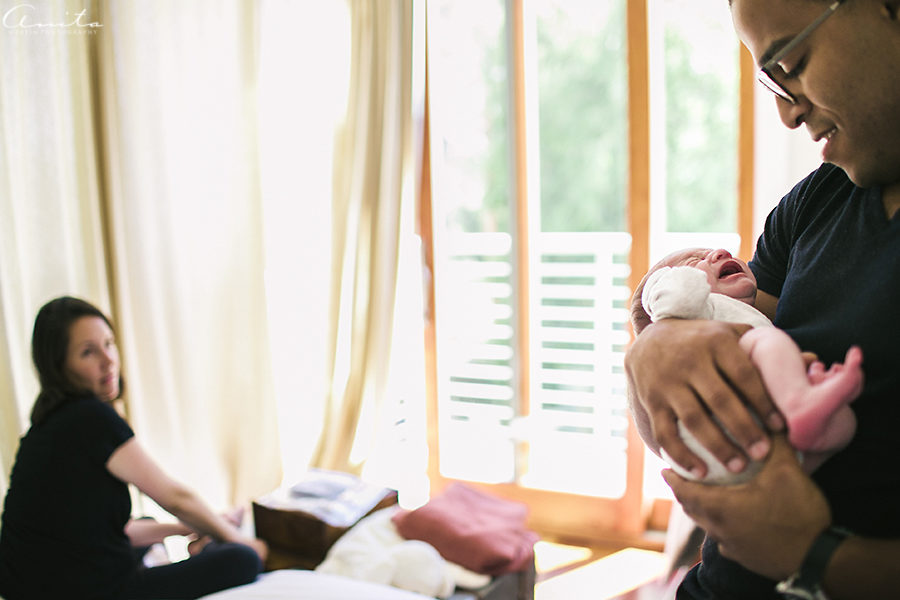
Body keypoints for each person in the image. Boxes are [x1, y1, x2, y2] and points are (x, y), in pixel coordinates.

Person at [624, 0, 900, 597]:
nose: (787, 112)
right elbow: (734, 323)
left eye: (792, 63)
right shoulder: (815, 204)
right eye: (771, 82)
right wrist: (655, 339)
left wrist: (812, 557)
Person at [0, 297, 269, 600]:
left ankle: (206, 540)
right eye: (88, 352)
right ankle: (211, 546)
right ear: (59, 367)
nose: (108, 360)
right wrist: (241, 541)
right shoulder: (90, 418)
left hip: (33, 585)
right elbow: (176, 498)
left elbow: (102, 531)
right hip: (89, 591)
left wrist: (186, 528)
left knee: (147, 525)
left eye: (108, 344)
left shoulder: (46, 425)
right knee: (243, 559)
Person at [641, 247, 863, 483]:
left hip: (746, 454)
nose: (721, 252)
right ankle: (799, 401)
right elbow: (673, 299)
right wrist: (665, 280)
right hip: (716, 427)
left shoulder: (744, 313)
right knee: (766, 340)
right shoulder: (694, 312)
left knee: (845, 423)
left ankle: (799, 457)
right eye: (694, 261)